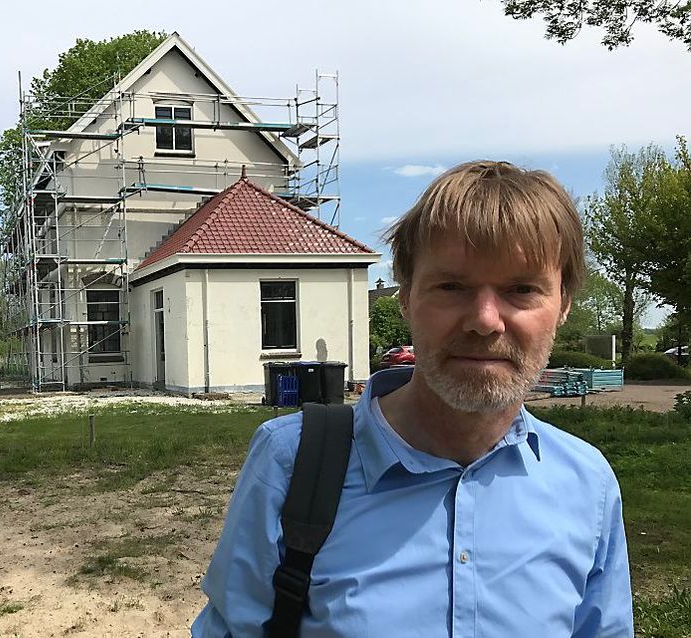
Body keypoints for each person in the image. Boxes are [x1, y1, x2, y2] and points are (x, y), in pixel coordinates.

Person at [191, 161, 633, 637]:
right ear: (405, 296)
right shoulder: (291, 462)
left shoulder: (588, 485)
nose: (485, 320)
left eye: (521, 289)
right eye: (452, 286)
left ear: (563, 304)